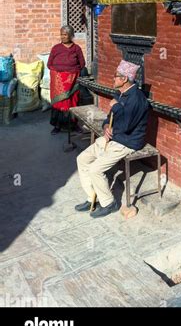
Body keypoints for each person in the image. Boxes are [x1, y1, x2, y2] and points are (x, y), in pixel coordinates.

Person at [75, 60, 149, 218]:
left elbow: (127, 125)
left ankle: (109, 203)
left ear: (124, 79)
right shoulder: (120, 94)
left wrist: (116, 107)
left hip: (127, 142)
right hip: (114, 137)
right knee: (82, 159)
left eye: (115, 76)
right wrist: (105, 127)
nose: (113, 79)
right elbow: (110, 118)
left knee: (95, 169)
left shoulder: (136, 98)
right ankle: (92, 197)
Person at [48, 26, 86, 134]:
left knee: (72, 102)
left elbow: (82, 64)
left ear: (71, 35)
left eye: (65, 34)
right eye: (61, 34)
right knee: (59, 103)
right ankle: (57, 126)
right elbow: (49, 64)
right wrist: (59, 75)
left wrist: (73, 73)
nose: (63, 37)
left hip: (72, 81)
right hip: (58, 82)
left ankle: (73, 125)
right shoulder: (56, 48)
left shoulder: (76, 48)